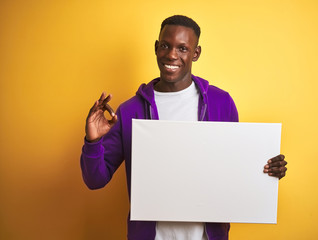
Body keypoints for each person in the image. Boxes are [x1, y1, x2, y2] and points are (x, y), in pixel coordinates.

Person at [81, 15, 287, 240]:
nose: (171, 55)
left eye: (182, 48)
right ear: (156, 48)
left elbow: (234, 170)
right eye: (165, 46)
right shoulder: (129, 111)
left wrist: (267, 172)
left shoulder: (221, 103)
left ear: (195, 53)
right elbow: (95, 180)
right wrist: (93, 141)